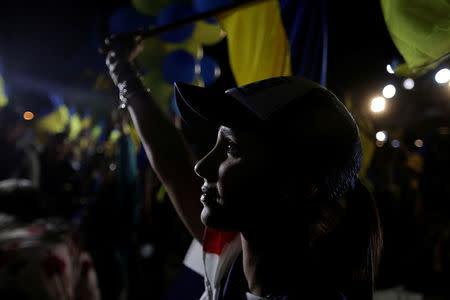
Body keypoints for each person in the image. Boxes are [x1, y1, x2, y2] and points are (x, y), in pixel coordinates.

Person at [102, 33, 383, 300]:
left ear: (303, 183)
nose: (201, 166)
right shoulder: (230, 249)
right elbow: (172, 163)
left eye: (232, 149)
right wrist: (125, 74)